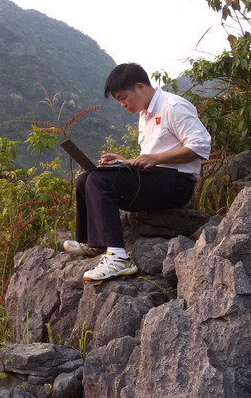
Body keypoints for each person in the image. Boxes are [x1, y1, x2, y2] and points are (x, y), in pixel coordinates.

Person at [64, 63, 211, 281]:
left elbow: (201, 147)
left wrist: (157, 158)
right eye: (119, 101)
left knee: (99, 181)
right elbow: (150, 157)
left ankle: (118, 257)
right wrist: (124, 162)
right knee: (85, 179)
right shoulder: (144, 114)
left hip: (177, 184)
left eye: (123, 98)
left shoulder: (173, 106)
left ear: (140, 87)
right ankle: (94, 242)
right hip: (155, 178)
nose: (123, 104)